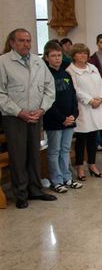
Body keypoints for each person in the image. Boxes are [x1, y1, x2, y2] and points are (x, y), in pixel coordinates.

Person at [0, 29, 57, 208]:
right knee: (18, 156)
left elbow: (49, 88)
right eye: (22, 40)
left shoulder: (38, 62)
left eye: (29, 40)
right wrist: (19, 112)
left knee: (34, 153)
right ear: (12, 43)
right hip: (15, 117)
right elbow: (1, 93)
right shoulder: (3, 62)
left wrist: (41, 109)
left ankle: (36, 189)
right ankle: (21, 193)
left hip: (35, 116)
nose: (26, 44)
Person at [42, 41, 82, 193]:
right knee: (54, 151)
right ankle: (56, 180)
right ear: (46, 57)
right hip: (54, 121)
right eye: (53, 56)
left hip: (69, 119)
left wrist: (73, 114)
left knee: (65, 150)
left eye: (59, 55)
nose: (57, 58)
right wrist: (61, 118)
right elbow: (48, 101)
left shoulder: (66, 74)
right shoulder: (45, 75)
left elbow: (72, 95)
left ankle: (67, 178)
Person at [66, 43, 102, 180]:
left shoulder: (93, 67)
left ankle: (92, 164)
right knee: (81, 139)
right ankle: (79, 167)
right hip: (83, 108)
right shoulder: (70, 70)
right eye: (79, 53)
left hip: (97, 106)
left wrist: (101, 98)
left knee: (93, 137)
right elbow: (75, 90)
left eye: (85, 52)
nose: (83, 55)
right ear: (73, 55)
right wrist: (90, 100)